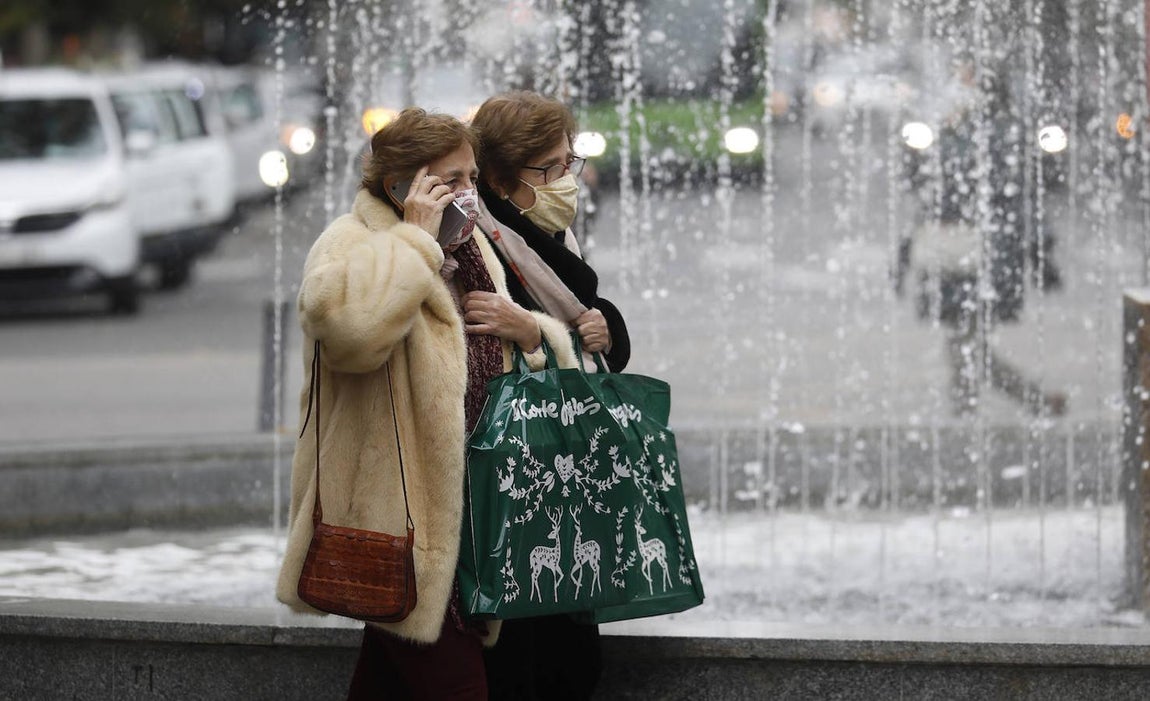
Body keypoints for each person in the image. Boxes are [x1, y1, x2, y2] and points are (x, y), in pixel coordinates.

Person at [275, 107, 577, 700]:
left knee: (386, 681)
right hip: (399, 518)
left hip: (471, 518)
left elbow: (511, 356)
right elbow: (351, 334)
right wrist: (415, 237)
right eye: (451, 181)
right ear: (400, 186)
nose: (468, 193)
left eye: (470, 178)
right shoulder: (353, 242)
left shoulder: (467, 245)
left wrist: (532, 333)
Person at [470, 90, 631, 700]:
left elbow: (581, 315)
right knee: (527, 661)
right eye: (550, 169)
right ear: (503, 179)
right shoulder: (479, 239)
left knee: (571, 660)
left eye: (570, 162)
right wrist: (544, 332)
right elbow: (476, 338)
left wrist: (607, 326)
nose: (567, 179)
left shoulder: (548, 230)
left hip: (561, 467)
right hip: (509, 476)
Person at [898, 63, 1066, 417]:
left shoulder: (1000, 134)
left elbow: (1021, 202)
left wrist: (1040, 253)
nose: (958, 88)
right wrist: (904, 254)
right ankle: (987, 407)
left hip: (985, 255)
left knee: (966, 342)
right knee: (964, 340)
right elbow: (929, 195)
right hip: (955, 251)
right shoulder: (953, 130)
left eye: (967, 80)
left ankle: (981, 409)